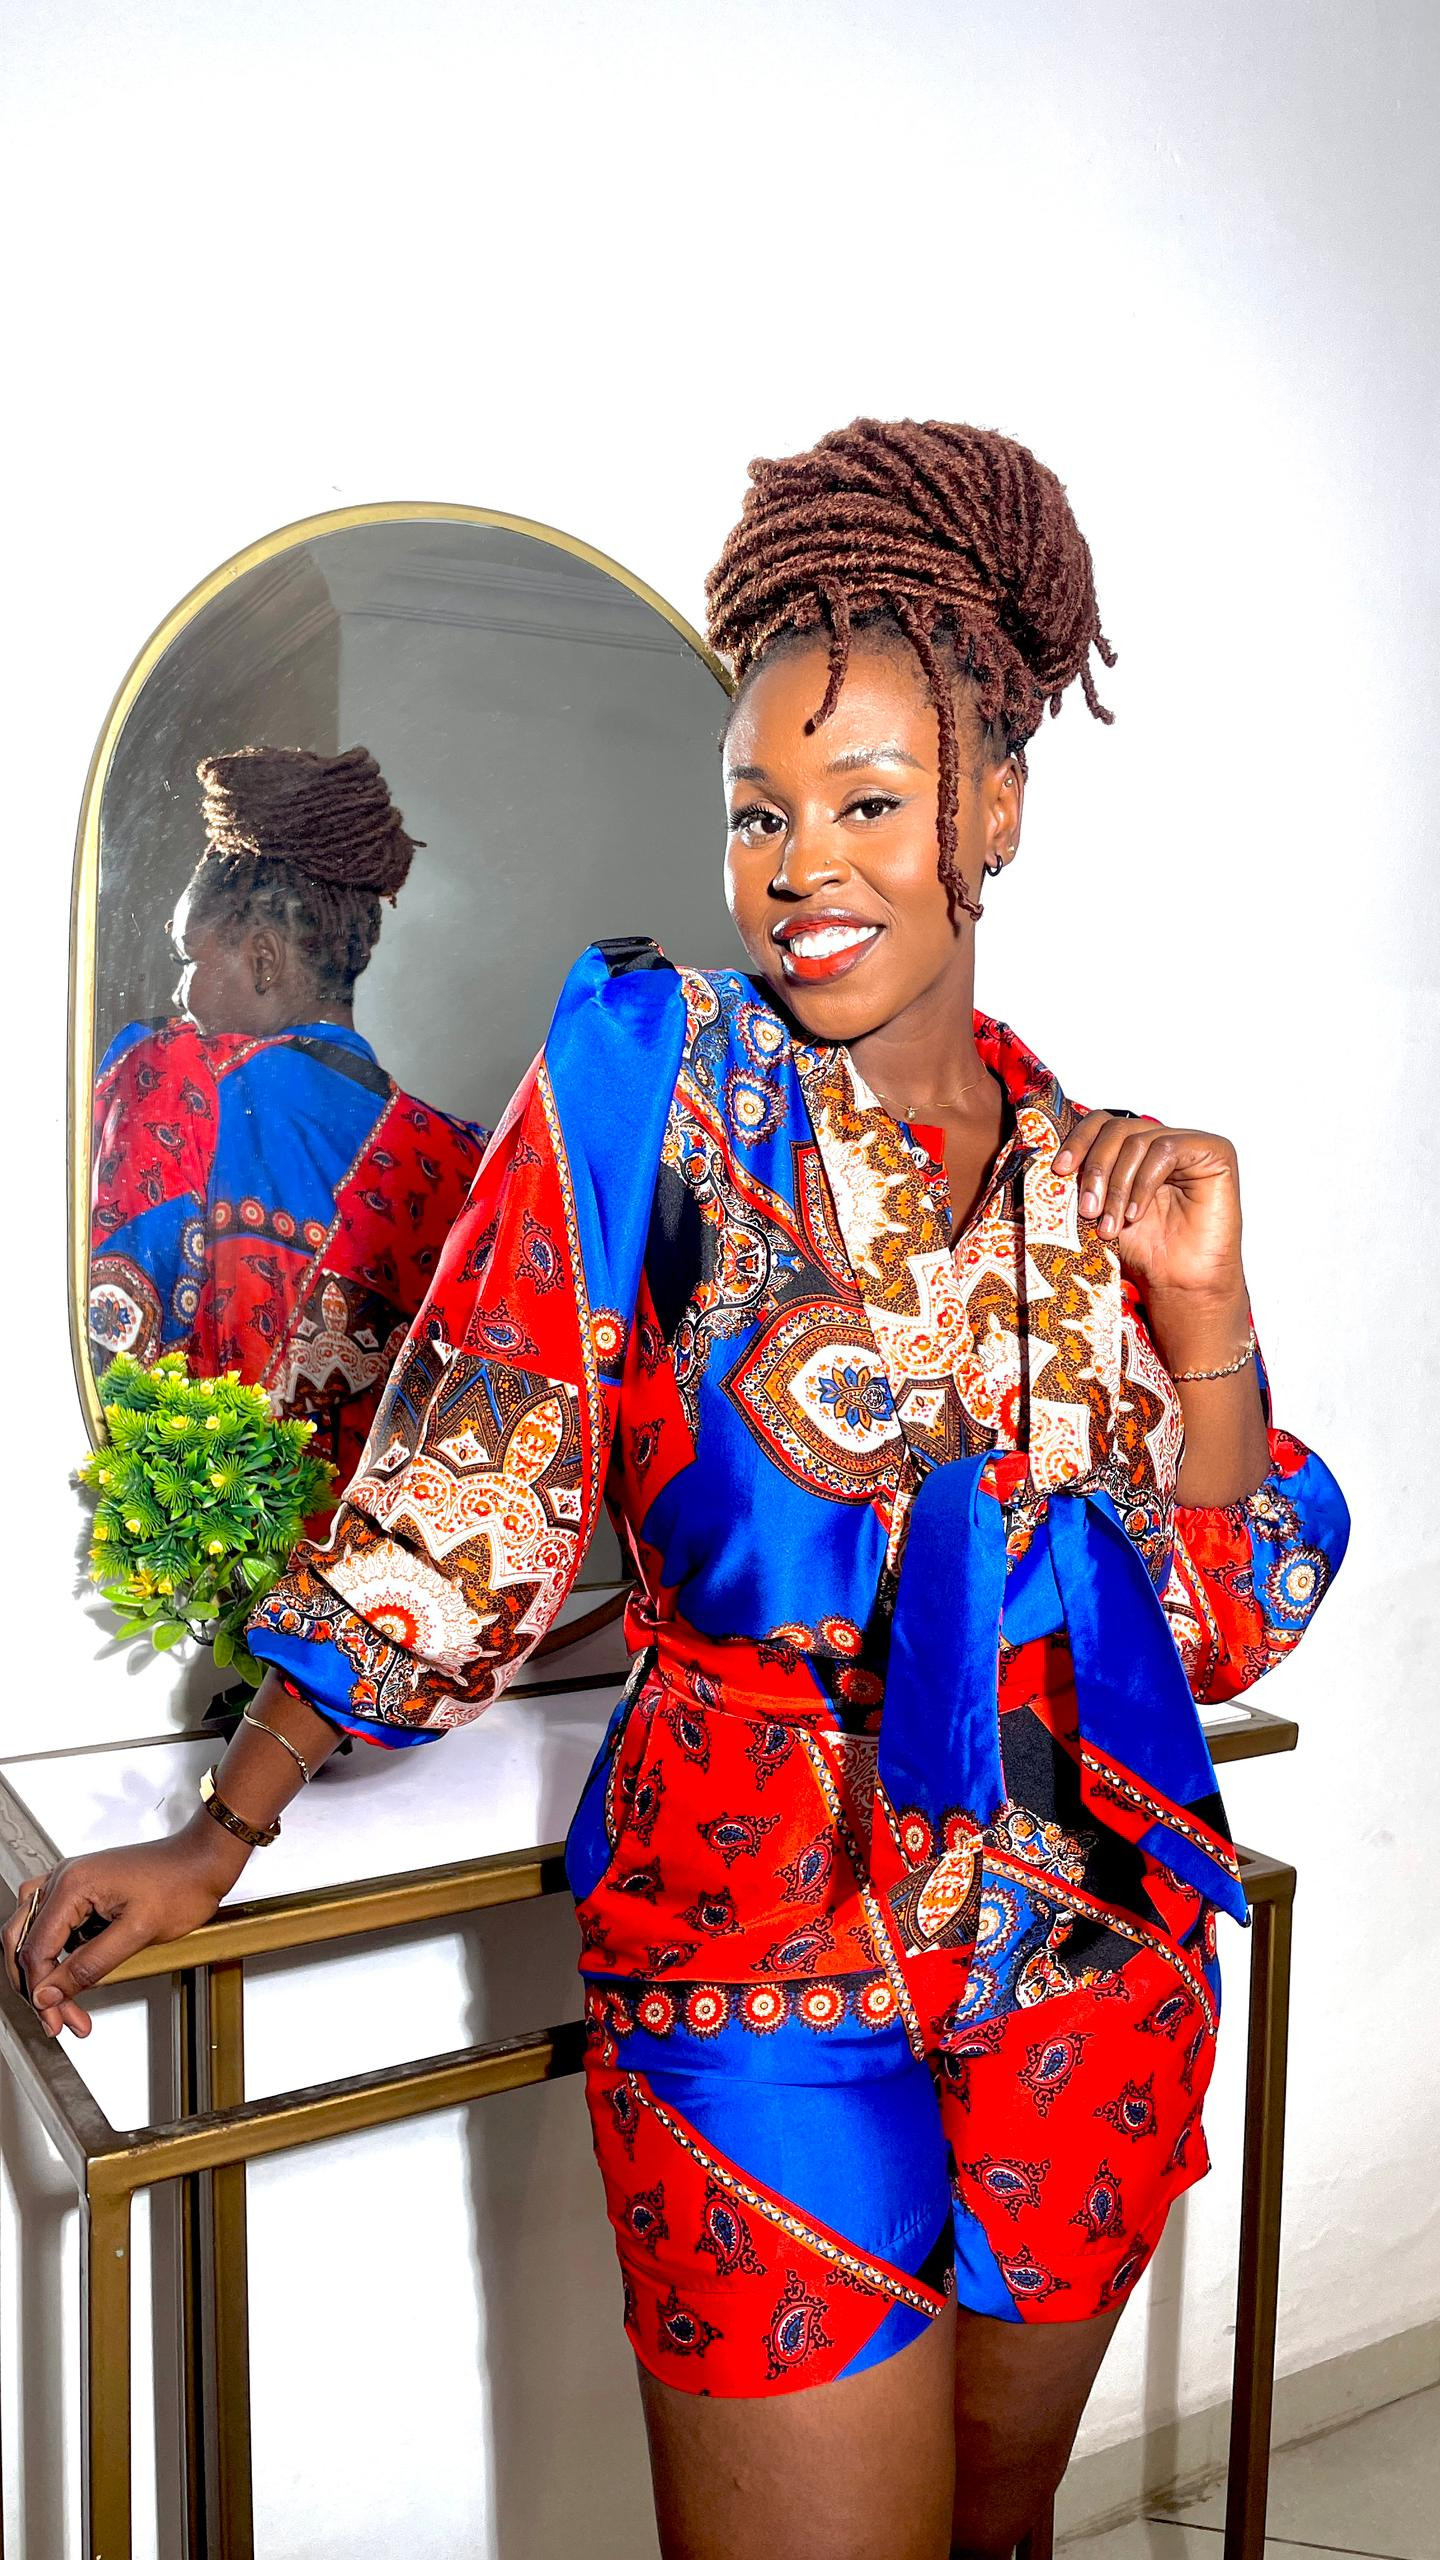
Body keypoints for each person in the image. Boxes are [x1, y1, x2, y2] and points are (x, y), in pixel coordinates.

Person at [14, 423, 1348, 2560]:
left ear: (996, 808)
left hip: (1093, 1970)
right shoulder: (652, 1085)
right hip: (755, 1965)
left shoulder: (1091, 1174)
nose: (803, 864)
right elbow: (472, 1473)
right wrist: (223, 1824)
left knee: (1003, 2535)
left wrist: (1209, 1316)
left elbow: (1219, 1618)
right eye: (759, 812)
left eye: (870, 802)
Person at [88, 744, 487, 1490]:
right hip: (385, 1565)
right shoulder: (471, 1158)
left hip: (200, 1554)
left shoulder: (181, 1084)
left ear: (264, 959)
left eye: (187, 959)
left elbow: (102, 1367)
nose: (179, 995)